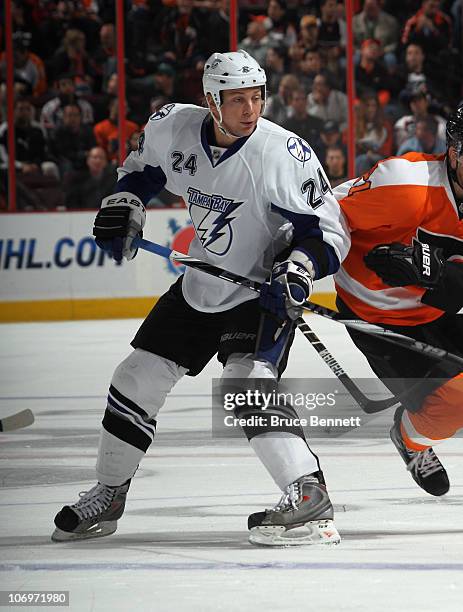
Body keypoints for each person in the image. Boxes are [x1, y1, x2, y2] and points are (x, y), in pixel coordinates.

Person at [51, 50, 349, 547]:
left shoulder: (283, 154)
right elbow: (141, 172)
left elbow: (327, 232)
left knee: (244, 385)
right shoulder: (172, 127)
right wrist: (125, 206)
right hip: (202, 282)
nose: (251, 110)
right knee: (135, 376)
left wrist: (298, 271)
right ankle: (110, 491)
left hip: (262, 291)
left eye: (257, 97)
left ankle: (307, 495)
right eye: (237, 100)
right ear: (211, 101)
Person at [333, 104, 463, 497]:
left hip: (437, 312)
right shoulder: (405, 184)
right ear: (455, 153)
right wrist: (300, 264)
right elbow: (326, 212)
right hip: (379, 317)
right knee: (453, 407)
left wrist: (436, 273)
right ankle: (410, 437)